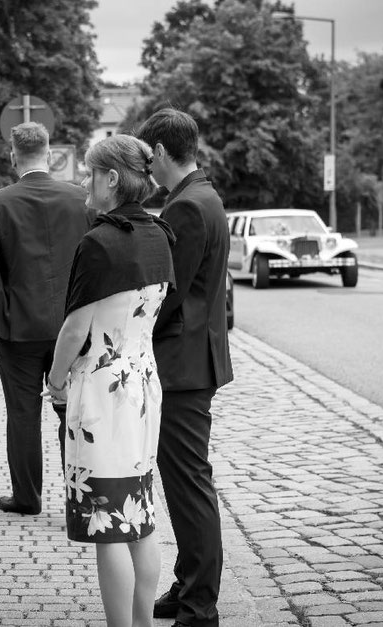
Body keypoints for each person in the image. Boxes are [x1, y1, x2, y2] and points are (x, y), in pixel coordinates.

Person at [46, 135, 175, 627]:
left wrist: (56, 381)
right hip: (143, 384)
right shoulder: (161, 234)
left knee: (109, 520)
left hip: (104, 391)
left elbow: (75, 328)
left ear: (112, 178)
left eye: (89, 172)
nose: (84, 180)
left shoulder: (99, 242)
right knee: (140, 514)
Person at [137, 108, 233, 627]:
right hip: (191, 360)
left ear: (157, 152)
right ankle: (189, 583)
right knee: (182, 480)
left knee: (190, 483)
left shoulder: (188, 208)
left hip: (183, 365)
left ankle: (200, 606)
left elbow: (170, 295)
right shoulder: (198, 196)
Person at [0, 121, 94, 515]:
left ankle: (27, 497)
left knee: (22, 413)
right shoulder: (80, 198)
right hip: (73, 325)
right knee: (71, 411)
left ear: (13, 156)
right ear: (49, 153)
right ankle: (78, 498)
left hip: (16, 327)